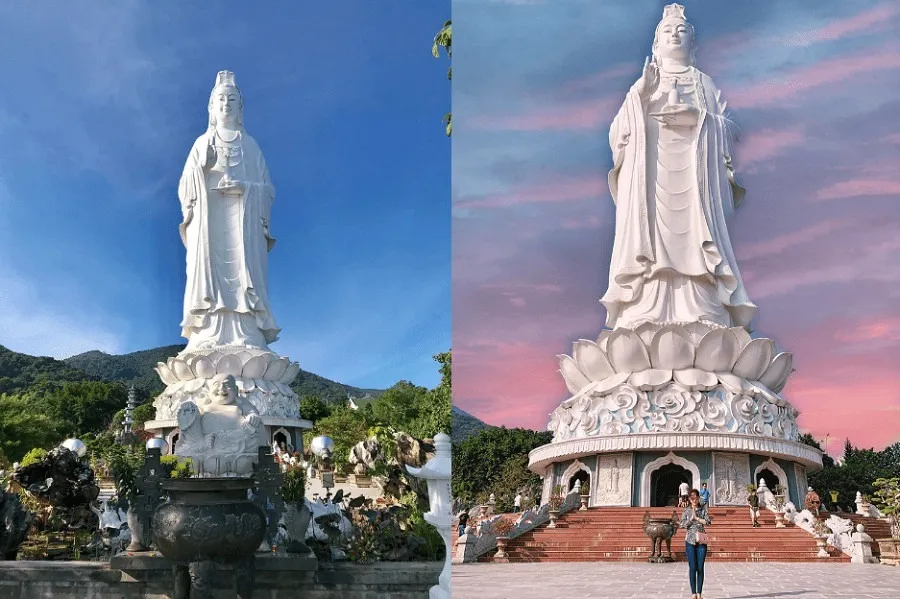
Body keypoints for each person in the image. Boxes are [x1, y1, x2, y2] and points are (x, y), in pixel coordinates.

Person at [681, 489, 711, 599]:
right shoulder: (686, 511)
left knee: (700, 567)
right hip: (690, 541)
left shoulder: (703, 510)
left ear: (698, 498)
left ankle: (699, 593)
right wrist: (691, 519)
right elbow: (682, 524)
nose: (694, 500)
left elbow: (708, 522)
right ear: (689, 499)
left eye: (695, 497)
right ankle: (693, 593)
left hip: (701, 541)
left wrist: (697, 518)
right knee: (692, 567)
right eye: (691, 498)